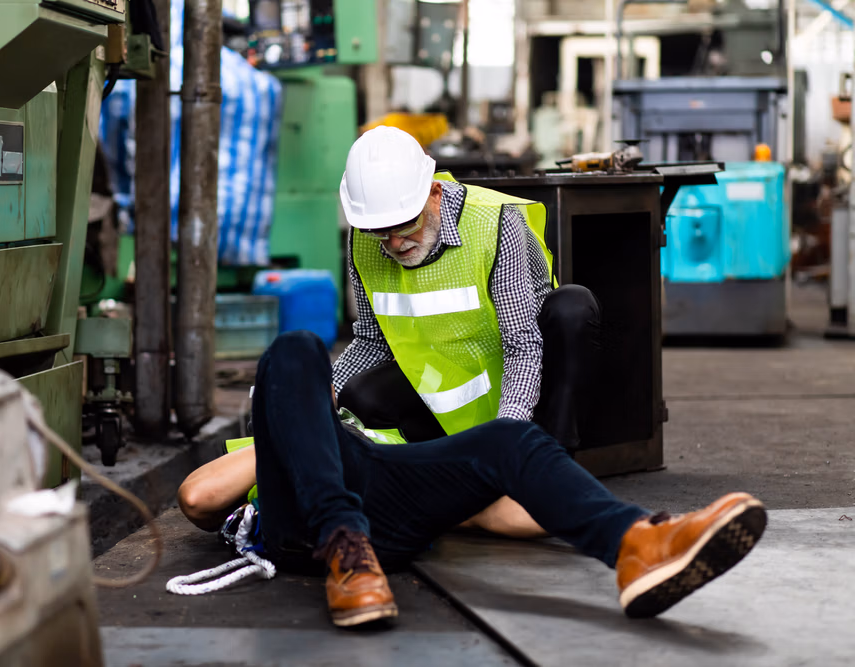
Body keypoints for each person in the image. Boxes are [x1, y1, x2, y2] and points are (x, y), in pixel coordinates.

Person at [179, 331, 767, 628]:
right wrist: (296, 428)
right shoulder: (265, 450)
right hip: (307, 526)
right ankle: (346, 552)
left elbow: (510, 517)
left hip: (386, 497)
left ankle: (638, 545)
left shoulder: (376, 435)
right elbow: (197, 498)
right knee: (295, 346)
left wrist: (540, 498)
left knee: (510, 438)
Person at [334, 126, 600, 453]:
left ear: (434, 193)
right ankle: (435, 462)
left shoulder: (492, 224)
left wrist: (507, 435)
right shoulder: (364, 238)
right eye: (379, 232)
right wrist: (322, 390)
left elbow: (521, 345)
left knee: (573, 306)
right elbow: (372, 340)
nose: (394, 244)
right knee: (356, 396)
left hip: (522, 384)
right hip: (448, 384)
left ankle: (550, 461)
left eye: (405, 225)